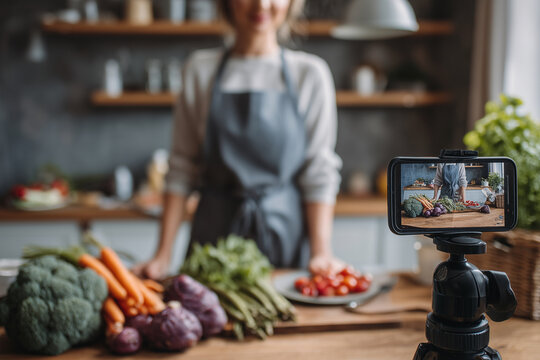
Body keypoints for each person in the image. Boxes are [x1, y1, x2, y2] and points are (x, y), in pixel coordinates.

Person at [134, 0, 344, 280]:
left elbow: (318, 172)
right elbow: (182, 167)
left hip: (287, 239)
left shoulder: (310, 74)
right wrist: (162, 254)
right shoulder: (200, 69)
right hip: (212, 241)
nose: (262, 4)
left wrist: (321, 253)